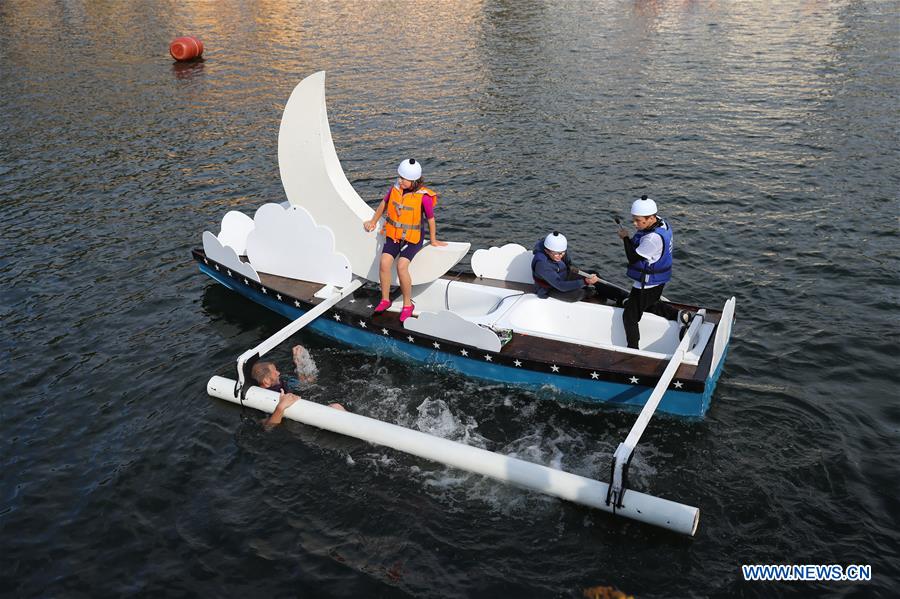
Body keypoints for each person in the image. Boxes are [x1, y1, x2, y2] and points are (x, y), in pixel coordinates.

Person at [363, 159, 447, 322]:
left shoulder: (424, 197)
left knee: (402, 266)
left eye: (403, 179)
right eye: (399, 177)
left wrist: (434, 240)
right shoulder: (395, 188)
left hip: (413, 237)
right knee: (384, 263)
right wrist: (373, 221)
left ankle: (408, 304)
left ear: (414, 180)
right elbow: (384, 204)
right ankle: (385, 299)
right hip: (394, 233)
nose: (399, 181)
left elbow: (430, 219)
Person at [617, 195, 690, 349]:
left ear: (651, 218)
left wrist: (625, 238)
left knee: (630, 317)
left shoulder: (652, 239)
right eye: (634, 219)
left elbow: (633, 258)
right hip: (660, 280)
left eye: (638, 221)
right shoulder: (662, 223)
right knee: (650, 304)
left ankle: (632, 349)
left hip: (647, 283)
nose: (634, 224)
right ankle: (678, 314)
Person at [250, 345, 346, 428]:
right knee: (336, 407)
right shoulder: (261, 399)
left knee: (310, 383)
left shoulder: (278, 383)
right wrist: (281, 406)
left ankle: (298, 362)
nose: (278, 373)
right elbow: (268, 427)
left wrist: (298, 364)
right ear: (266, 381)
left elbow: (306, 385)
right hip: (296, 420)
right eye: (275, 372)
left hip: (300, 398)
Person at [531, 231, 628, 304]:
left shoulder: (559, 250)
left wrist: (582, 276)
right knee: (577, 293)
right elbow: (561, 286)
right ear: (547, 251)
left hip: (564, 275)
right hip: (551, 288)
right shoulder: (542, 264)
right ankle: (590, 293)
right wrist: (585, 282)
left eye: (562, 252)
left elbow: (568, 264)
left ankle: (622, 297)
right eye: (556, 254)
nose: (560, 256)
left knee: (594, 274)